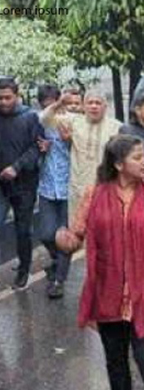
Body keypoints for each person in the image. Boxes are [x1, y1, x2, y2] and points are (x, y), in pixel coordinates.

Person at [56, 135, 144, 390]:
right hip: (107, 288)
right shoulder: (94, 195)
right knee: (115, 358)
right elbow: (77, 234)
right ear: (119, 164)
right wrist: (65, 241)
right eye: (137, 157)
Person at [40, 89, 123, 214]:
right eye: (90, 103)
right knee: (79, 223)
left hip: (106, 186)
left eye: (98, 103)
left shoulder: (117, 127)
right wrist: (59, 103)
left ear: (105, 107)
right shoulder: (74, 121)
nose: (94, 106)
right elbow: (44, 119)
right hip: (79, 188)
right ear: (84, 106)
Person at [0, 78, 44, 290]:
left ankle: (24, 268)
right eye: (0, 98)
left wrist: (16, 167)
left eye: (7, 98)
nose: (3, 102)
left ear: (17, 96)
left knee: (23, 229)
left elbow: (37, 148)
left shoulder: (30, 117)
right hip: (1, 184)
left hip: (25, 183)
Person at [35, 85, 72, 298]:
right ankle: (58, 261)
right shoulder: (41, 122)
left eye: (53, 102)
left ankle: (58, 280)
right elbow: (40, 120)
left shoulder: (71, 121)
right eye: (45, 104)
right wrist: (42, 150)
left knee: (65, 237)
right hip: (47, 187)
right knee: (47, 234)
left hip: (69, 187)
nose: (50, 107)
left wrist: (69, 141)